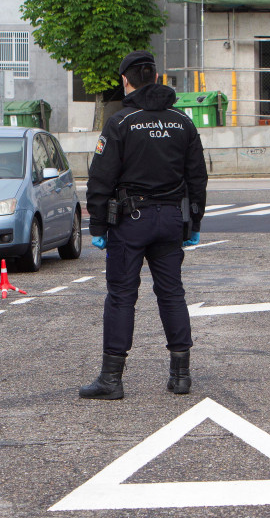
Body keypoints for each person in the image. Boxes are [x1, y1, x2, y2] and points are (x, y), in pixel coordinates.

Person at [79, 50, 208, 400]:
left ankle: (111, 379)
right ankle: (181, 375)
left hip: (130, 222)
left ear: (126, 80)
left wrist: (99, 227)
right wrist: (194, 221)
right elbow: (197, 177)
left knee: (121, 296)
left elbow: (100, 179)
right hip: (170, 221)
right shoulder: (183, 122)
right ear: (155, 77)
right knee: (172, 294)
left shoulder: (120, 123)